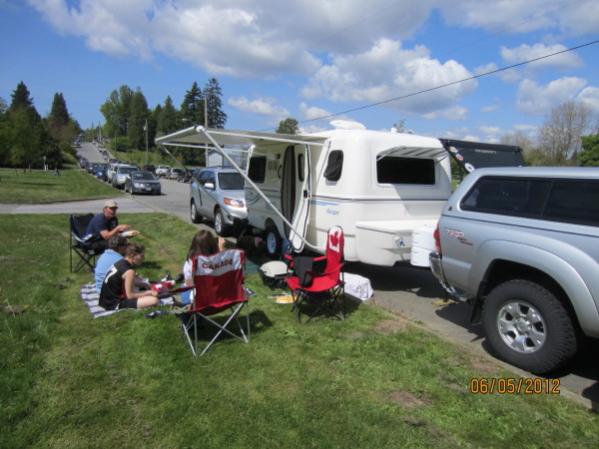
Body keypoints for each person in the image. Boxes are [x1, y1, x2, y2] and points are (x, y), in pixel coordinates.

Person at [99, 243, 159, 310]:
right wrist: (149, 292)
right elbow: (130, 296)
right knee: (154, 300)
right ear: (132, 255)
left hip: (104, 301)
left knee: (141, 286)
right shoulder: (129, 271)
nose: (143, 259)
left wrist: (143, 284)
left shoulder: (120, 262)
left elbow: (123, 282)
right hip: (114, 303)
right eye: (141, 256)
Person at [178, 230, 226, 306]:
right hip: (220, 297)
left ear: (194, 245)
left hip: (200, 302)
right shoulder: (220, 262)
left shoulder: (190, 264)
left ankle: (189, 316)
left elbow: (189, 284)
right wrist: (221, 248)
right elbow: (224, 261)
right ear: (213, 245)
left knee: (183, 286)